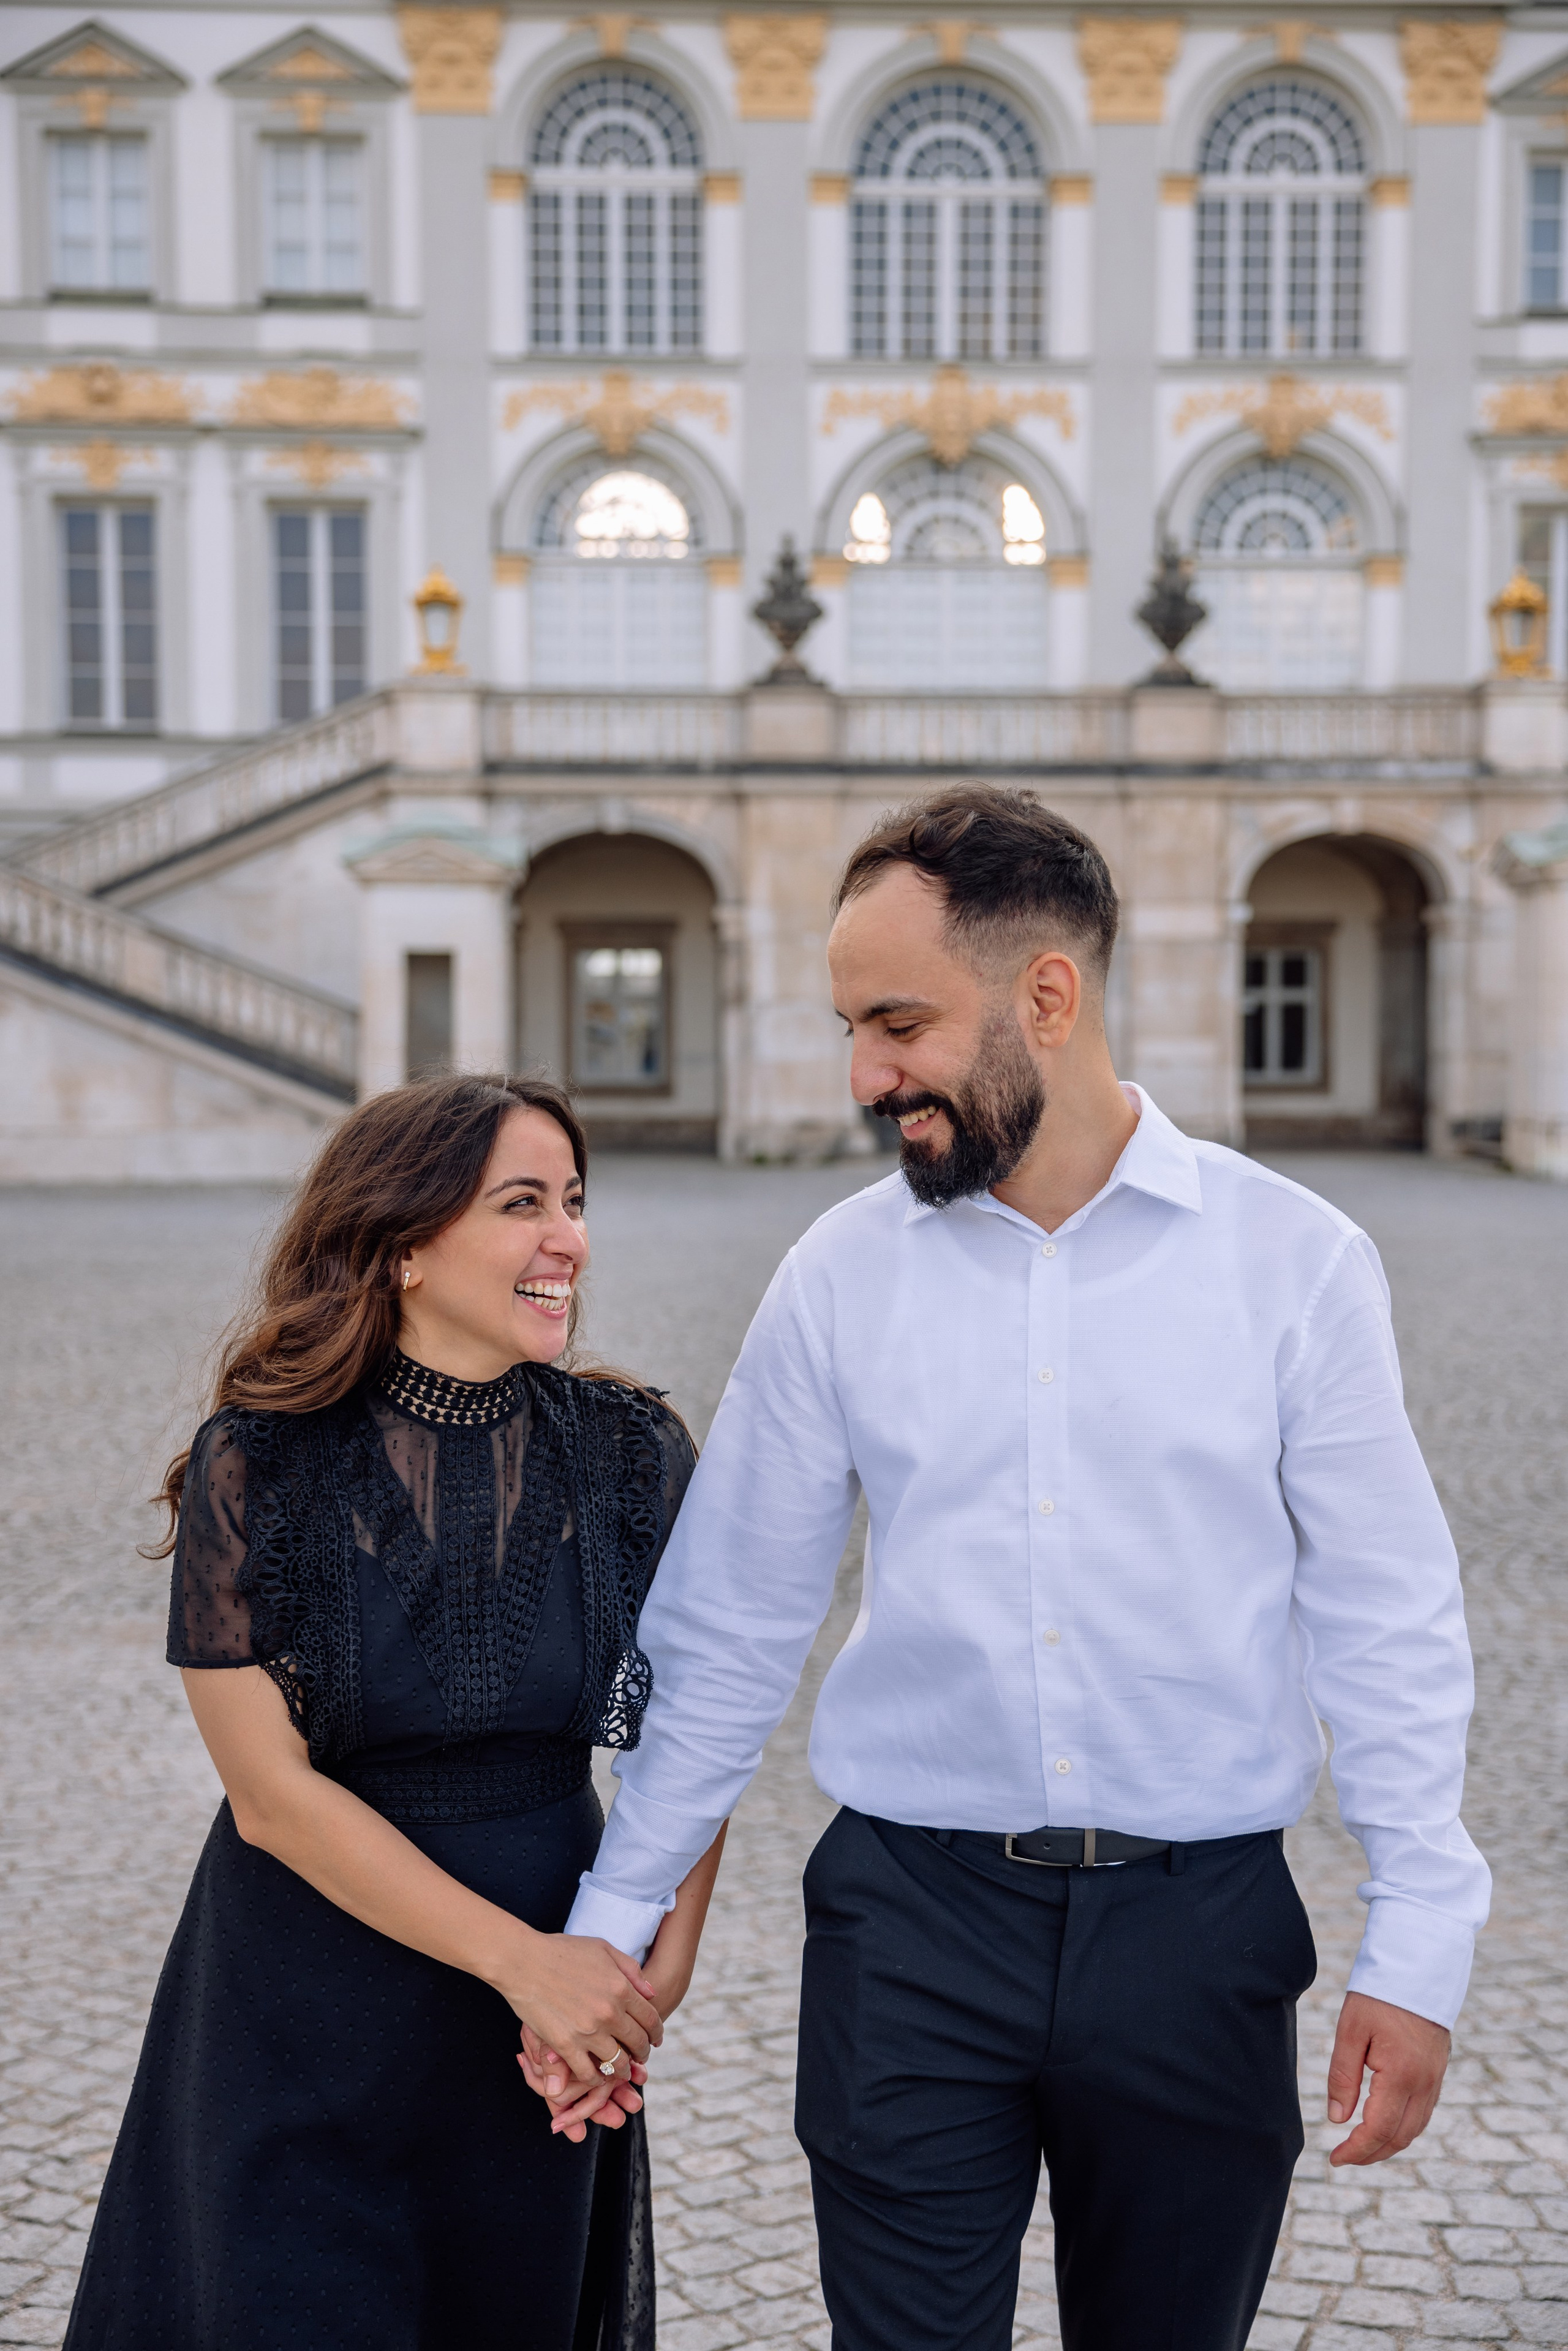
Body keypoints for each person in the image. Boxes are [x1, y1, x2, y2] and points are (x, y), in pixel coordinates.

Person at [553, 787, 1491, 2351]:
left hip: (1199, 1935)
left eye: (898, 1022)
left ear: (1045, 995)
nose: (866, 1075)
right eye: (853, 1027)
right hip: (909, 1930)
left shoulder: (1296, 1261)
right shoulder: (837, 1274)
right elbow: (728, 1625)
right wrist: (613, 1913)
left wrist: (1419, 1937)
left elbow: (1384, 1611)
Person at [64, 1073, 726, 2351]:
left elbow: (697, 1730)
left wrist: (642, 1974)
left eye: (575, 1203)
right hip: (305, 2006)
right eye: (521, 1203)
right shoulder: (256, 1461)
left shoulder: (633, 1450)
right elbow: (270, 1796)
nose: (567, 1239)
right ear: (405, 1244)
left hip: (542, 2032)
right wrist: (523, 1962)